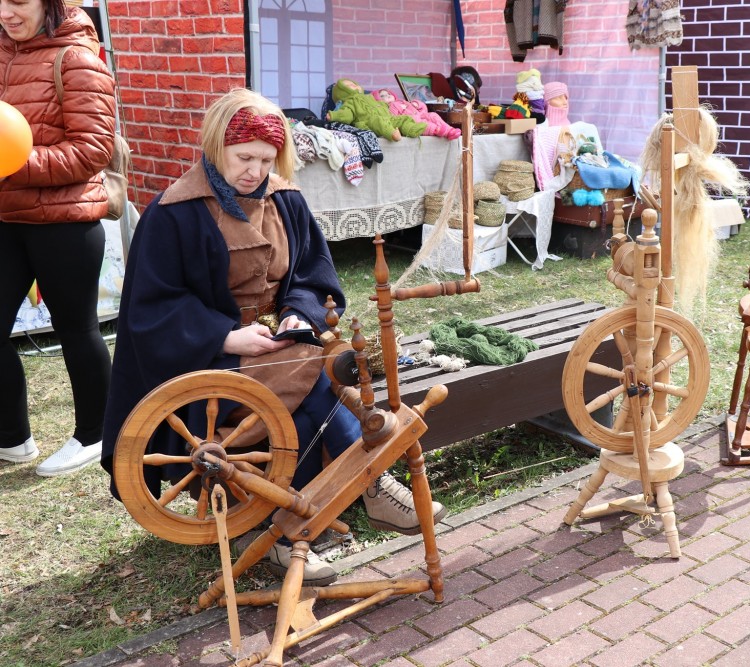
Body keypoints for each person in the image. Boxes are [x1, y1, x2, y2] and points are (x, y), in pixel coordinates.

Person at [101, 89, 445, 585]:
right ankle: (366, 483)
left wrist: (295, 314)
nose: (254, 170)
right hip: (205, 359)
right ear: (216, 146)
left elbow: (312, 276)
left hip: (281, 345)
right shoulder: (174, 212)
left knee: (311, 390)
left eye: (266, 159)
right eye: (244, 157)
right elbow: (152, 309)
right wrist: (225, 336)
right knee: (314, 376)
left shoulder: (285, 199)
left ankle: (283, 530)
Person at [0, 0, 116, 475]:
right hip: (6, 217)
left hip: (66, 222)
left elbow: (93, 149)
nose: (6, 13)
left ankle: (95, 434)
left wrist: (13, 164)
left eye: (18, 1)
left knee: (76, 330)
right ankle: (12, 439)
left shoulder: (77, 57)